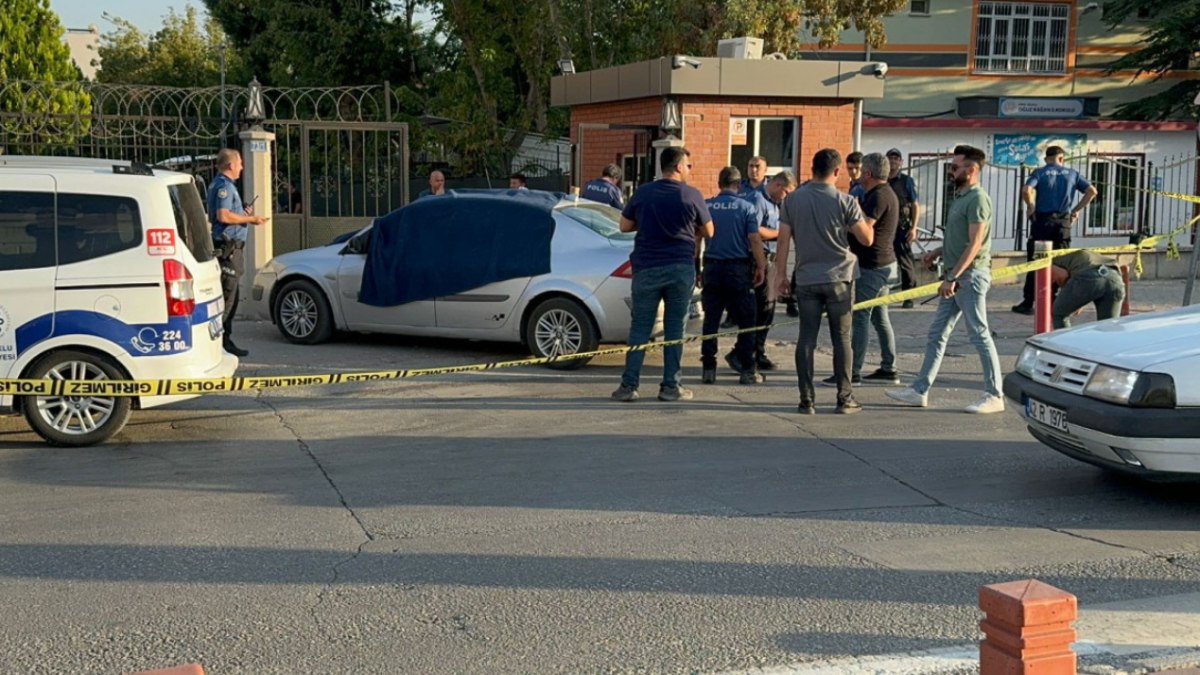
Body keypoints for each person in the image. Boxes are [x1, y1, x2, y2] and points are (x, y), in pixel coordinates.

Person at [887, 144, 1004, 414]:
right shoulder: (962, 197)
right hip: (956, 276)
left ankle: (994, 394)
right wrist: (939, 251)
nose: (950, 172)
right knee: (937, 333)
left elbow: (975, 244)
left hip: (968, 277)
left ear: (971, 170)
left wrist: (952, 276)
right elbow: (961, 238)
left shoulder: (977, 198)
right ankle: (919, 390)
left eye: (954, 167)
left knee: (980, 334)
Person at [773, 148, 873, 415]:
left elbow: (783, 241)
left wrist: (780, 276)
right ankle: (844, 397)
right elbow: (867, 239)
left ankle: (807, 399)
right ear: (838, 171)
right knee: (842, 339)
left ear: (811, 168)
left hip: (806, 278)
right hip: (840, 277)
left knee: (806, 337)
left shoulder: (792, 201)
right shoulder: (846, 201)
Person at [611, 147, 713, 403]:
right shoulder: (692, 195)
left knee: (640, 329)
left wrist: (644, 223)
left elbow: (624, 226)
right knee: (674, 329)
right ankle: (670, 386)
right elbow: (710, 231)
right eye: (688, 165)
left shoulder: (643, 193)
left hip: (646, 267)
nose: (690, 170)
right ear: (678, 166)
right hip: (680, 267)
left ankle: (628, 386)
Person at [824, 152, 900, 386]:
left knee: (859, 316)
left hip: (874, 266)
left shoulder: (878, 196)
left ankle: (852, 372)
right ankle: (889, 367)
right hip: (884, 263)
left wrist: (847, 219)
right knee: (879, 317)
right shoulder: (884, 193)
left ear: (868, 173)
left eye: (861, 172)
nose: (856, 176)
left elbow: (865, 229)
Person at [1012, 145, 1098, 315]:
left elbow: (1026, 190)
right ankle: (1059, 301)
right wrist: (1076, 210)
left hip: (1042, 222)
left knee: (1037, 261)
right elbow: (1092, 191)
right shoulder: (1072, 174)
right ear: (1062, 158)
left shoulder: (1040, 173)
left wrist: (1030, 207)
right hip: (1063, 223)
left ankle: (1029, 301)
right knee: (1062, 262)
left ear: (1046, 159)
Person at [700, 167, 767, 385]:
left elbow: (696, 238)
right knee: (747, 320)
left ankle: (709, 367)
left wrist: (697, 267)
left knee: (711, 320)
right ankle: (747, 368)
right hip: (738, 270)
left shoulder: (707, 206)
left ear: (719, 183)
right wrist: (761, 266)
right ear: (738, 185)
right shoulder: (746, 207)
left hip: (712, 268)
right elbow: (755, 240)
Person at [207, 148, 269, 358]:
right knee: (228, 297)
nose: (242, 167)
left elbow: (227, 214)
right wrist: (250, 219)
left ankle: (224, 340)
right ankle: (222, 343)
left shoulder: (220, 184)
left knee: (230, 295)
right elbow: (223, 216)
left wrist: (242, 213)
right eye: (240, 163)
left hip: (231, 248)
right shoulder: (224, 186)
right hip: (229, 249)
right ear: (230, 165)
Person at [738, 170, 797, 371]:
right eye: (787, 192)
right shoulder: (757, 199)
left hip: (771, 259)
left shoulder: (775, 203)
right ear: (779, 186)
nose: (787, 197)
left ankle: (756, 350)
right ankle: (747, 352)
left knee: (768, 311)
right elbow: (754, 231)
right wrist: (780, 234)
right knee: (761, 310)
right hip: (758, 260)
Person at [1050, 250, 1125, 329]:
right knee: (1109, 325)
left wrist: (1068, 295)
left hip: (1089, 277)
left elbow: (1062, 276)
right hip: (1115, 277)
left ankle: (1063, 341)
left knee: (1059, 313)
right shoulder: (1074, 254)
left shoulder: (1047, 262)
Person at [886, 149, 920, 308]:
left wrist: (913, 228)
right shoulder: (881, 180)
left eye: (896, 158)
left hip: (902, 227)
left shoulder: (906, 181)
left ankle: (909, 295)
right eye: (890, 158)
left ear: (901, 162)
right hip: (885, 228)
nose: (893, 161)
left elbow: (915, 205)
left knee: (905, 262)